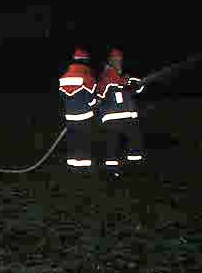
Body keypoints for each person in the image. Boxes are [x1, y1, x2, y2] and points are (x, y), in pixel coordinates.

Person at [96, 47, 145, 177]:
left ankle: (135, 168)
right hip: (112, 118)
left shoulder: (125, 77)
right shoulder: (106, 76)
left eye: (119, 59)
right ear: (110, 61)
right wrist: (121, 82)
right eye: (115, 59)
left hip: (128, 116)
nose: (118, 62)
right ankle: (112, 171)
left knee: (135, 141)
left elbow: (138, 88)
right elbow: (101, 93)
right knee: (112, 144)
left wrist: (136, 84)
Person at [58, 47, 99, 171]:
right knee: (84, 141)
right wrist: (95, 104)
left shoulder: (64, 77)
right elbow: (91, 98)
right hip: (84, 116)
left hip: (70, 116)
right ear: (86, 61)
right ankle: (84, 167)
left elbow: (62, 97)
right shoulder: (87, 77)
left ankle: (72, 165)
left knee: (72, 141)